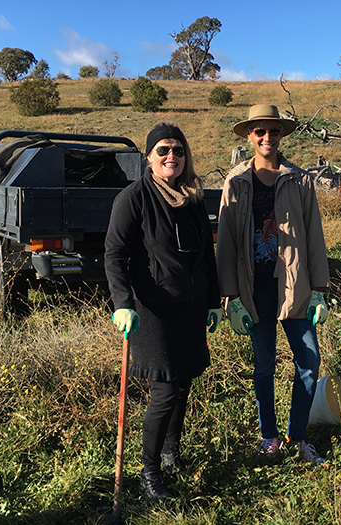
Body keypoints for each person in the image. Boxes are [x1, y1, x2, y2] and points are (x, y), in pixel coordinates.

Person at [105, 122, 221, 502]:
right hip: (151, 310)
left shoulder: (191, 198)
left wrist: (212, 301)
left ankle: (171, 453)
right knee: (166, 390)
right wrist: (122, 303)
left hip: (189, 307)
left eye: (179, 150)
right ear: (150, 158)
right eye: (163, 150)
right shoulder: (133, 198)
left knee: (183, 381)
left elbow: (206, 254)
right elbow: (115, 255)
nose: (172, 156)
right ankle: (149, 473)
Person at [216, 104, 330, 464]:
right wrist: (230, 297)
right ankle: (270, 438)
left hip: (295, 288)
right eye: (260, 131)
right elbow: (228, 242)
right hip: (255, 290)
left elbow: (314, 236)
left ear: (282, 135)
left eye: (274, 131)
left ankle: (298, 438)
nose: (267, 138)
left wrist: (320, 291)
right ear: (250, 136)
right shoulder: (235, 182)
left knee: (309, 361)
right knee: (263, 365)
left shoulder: (299, 180)